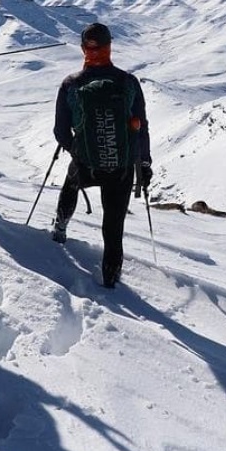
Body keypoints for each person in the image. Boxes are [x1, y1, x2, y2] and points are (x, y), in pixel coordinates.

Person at [51, 22, 152, 288]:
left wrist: (78, 150)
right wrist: (144, 161)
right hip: (121, 166)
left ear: (84, 48)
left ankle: (60, 228)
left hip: (86, 163)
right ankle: (111, 279)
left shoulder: (71, 84)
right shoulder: (128, 82)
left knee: (71, 185)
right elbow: (140, 125)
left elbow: (61, 131)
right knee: (113, 225)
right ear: (110, 47)